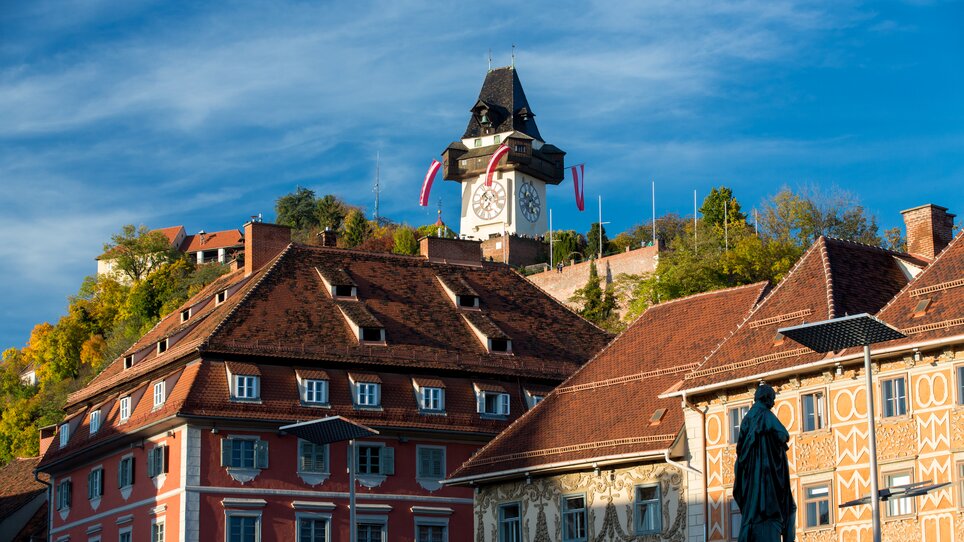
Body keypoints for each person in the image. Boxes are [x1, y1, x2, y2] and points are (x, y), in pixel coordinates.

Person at [733, 383, 796, 541]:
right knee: (790, 508)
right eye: (772, 399)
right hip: (767, 484)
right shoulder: (765, 414)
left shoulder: (747, 419)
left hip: (751, 489)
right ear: (766, 398)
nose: (773, 403)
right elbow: (783, 434)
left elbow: (740, 449)